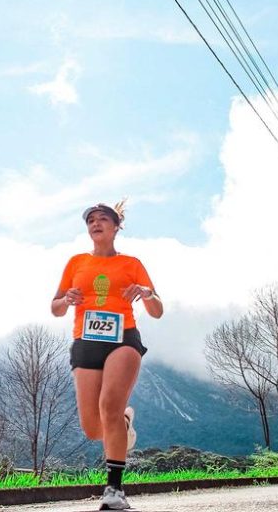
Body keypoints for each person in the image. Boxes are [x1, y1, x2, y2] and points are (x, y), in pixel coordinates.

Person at [51, 200, 163, 511]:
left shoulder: (131, 264)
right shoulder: (76, 263)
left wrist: (146, 293)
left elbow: (157, 310)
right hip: (85, 342)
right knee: (92, 428)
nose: (95, 223)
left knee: (109, 406)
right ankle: (124, 424)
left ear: (116, 227)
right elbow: (55, 307)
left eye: (102, 219)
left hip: (123, 339)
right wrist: (67, 299)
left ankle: (114, 490)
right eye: (91, 220)